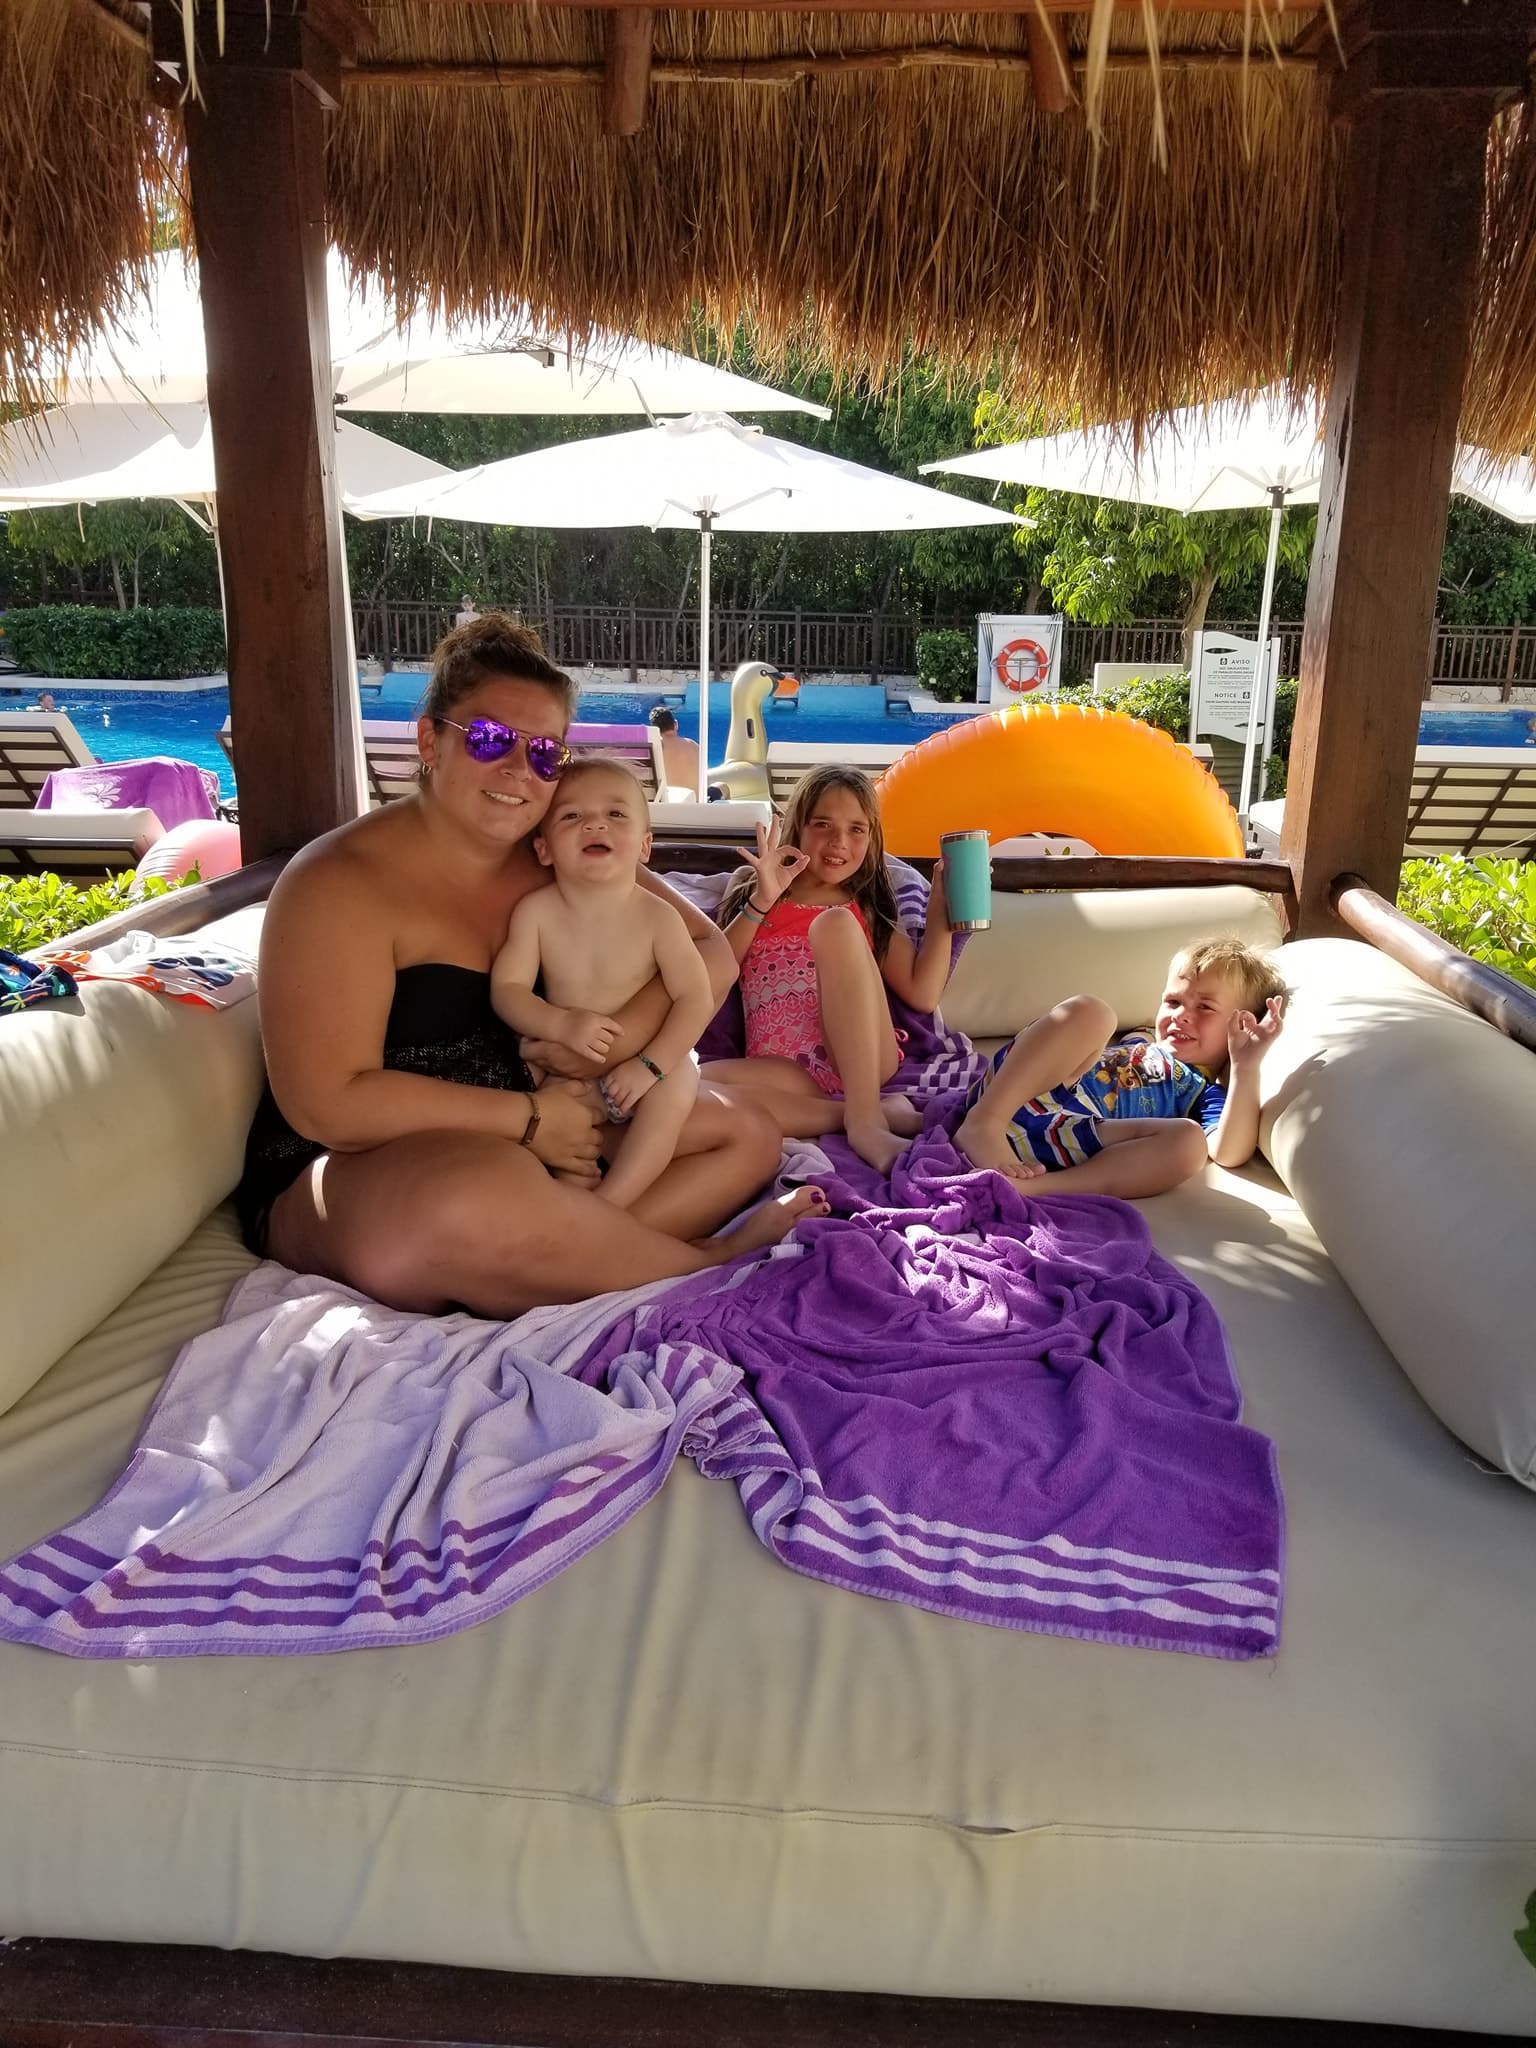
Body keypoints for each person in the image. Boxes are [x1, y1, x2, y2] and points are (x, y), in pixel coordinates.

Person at [233, 613, 823, 1319]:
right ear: (430, 741)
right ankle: (703, 1261)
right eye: (488, 740)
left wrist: (600, 1048)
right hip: (360, 1165)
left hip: (546, 1123)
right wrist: (528, 1119)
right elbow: (327, 1104)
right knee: (474, 1198)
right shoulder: (338, 882)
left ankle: (564, 1249)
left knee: (747, 1134)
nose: (519, 769)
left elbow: (709, 957)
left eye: (545, 755)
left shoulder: (555, 853)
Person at [701, 766, 956, 1174]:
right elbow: (711, 976)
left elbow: (922, 994)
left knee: (835, 924)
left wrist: (941, 916)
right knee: (679, 1090)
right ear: (797, 827)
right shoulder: (756, 891)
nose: (839, 842)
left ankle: (865, 1118)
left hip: (862, 1058)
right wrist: (762, 901)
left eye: (857, 829)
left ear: (871, 840)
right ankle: (863, 1114)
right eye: (823, 824)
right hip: (784, 1073)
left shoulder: (863, 910)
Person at [491, 757, 720, 1209]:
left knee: (672, 1096)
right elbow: (508, 990)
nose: (595, 824)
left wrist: (651, 1064)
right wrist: (559, 1024)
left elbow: (695, 996)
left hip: (652, 1066)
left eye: (616, 814)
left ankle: (615, 1203)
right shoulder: (536, 912)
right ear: (544, 849)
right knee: (543, 1107)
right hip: (567, 1064)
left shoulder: (659, 917)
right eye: (572, 816)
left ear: (644, 846)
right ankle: (574, 1190)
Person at [953, 937, 1289, 1198]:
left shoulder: (1202, 1092)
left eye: (1205, 1007)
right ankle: (984, 1121)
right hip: (1017, 1093)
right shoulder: (1139, 1038)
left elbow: (1228, 1152)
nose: (1181, 1015)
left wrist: (1246, 1066)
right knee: (1093, 1013)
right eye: (1173, 1002)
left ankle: (1034, 1188)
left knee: (1190, 1143)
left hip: (1070, 1134)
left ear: (1242, 1026)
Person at [648, 704, 702, 798]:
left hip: (668, 804)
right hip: (696, 804)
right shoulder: (693, 745)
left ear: (654, 729)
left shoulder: (655, 748)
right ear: (675, 724)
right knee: (722, 786)